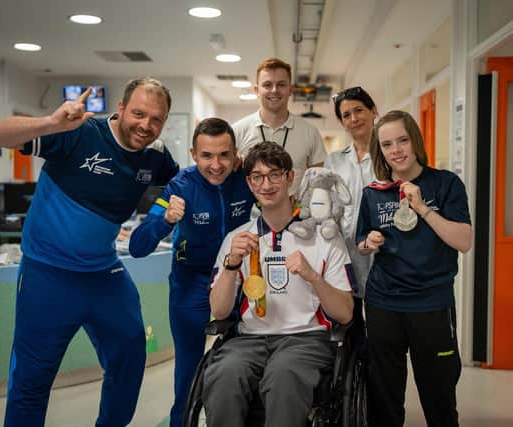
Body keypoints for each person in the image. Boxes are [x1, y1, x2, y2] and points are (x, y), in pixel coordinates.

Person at [0, 78, 180, 426]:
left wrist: (159, 217)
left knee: (131, 356)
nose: (145, 125)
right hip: (48, 275)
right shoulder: (78, 132)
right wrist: (49, 122)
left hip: (104, 275)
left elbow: (182, 186)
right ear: (120, 109)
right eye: (138, 113)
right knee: (31, 380)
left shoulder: (156, 156)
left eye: (156, 119)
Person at [202, 141, 355, 427]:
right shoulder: (236, 240)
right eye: (257, 177)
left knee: (283, 376)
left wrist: (312, 276)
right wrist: (232, 263)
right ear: (249, 183)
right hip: (248, 339)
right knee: (223, 374)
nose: (267, 184)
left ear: (289, 178)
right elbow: (220, 312)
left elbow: (345, 314)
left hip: (306, 338)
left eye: (274, 174)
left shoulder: (325, 238)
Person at [128, 117, 254, 427]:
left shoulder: (247, 178)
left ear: (236, 154)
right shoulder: (179, 186)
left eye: (224, 155)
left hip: (238, 280)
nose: (216, 164)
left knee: (244, 367)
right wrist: (166, 220)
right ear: (194, 155)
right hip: (191, 283)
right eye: (207, 156)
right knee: (187, 372)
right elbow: (138, 245)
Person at [356, 110, 472, 427]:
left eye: (403, 140)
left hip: (431, 305)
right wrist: (370, 243)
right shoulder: (373, 193)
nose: (397, 150)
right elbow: (361, 243)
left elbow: (464, 241)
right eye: (388, 144)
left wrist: (422, 207)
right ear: (380, 150)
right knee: (384, 398)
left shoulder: (445, 184)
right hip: (383, 304)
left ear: (415, 141)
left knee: (439, 398)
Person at [232, 57, 327, 195]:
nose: (274, 90)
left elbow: (320, 182)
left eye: (281, 84)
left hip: (296, 215)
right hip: (250, 215)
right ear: (256, 89)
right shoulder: (237, 131)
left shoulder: (309, 132)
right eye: (267, 85)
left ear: (290, 89)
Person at [325, 86, 378, 297]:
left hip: (383, 254)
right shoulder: (334, 161)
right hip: (344, 253)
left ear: (373, 111)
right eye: (346, 115)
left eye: (359, 110)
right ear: (342, 122)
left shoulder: (389, 156)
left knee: (380, 324)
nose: (354, 118)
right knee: (350, 324)